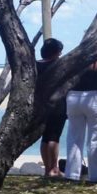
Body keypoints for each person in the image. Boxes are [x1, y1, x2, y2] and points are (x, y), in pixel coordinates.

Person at [64, 54, 97, 184]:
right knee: (96, 139)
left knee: (74, 138)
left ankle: (72, 175)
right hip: (93, 97)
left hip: (73, 96)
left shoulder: (73, 58)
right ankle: (96, 176)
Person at [36, 38, 67, 177]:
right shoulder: (58, 64)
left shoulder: (35, 65)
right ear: (56, 52)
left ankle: (48, 169)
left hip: (40, 105)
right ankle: (54, 168)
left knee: (45, 137)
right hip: (57, 104)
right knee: (54, 137)